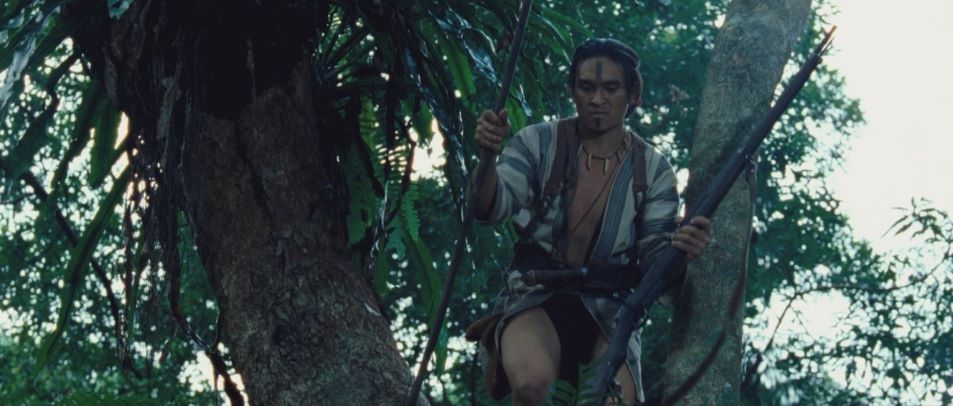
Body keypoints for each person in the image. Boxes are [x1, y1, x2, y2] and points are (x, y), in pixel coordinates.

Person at [467, 38, 712, 405]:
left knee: (617, 403)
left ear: (633, 94)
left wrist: (682, 251)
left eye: (611, 88)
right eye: (587, 87)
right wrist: (488, 157)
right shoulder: (536, 141)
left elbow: (654, 260)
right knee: (532, 386)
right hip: (534, 295)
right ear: (573, 90)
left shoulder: (654, 170)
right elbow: (489, 207)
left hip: (612, 311)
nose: (598, 99)